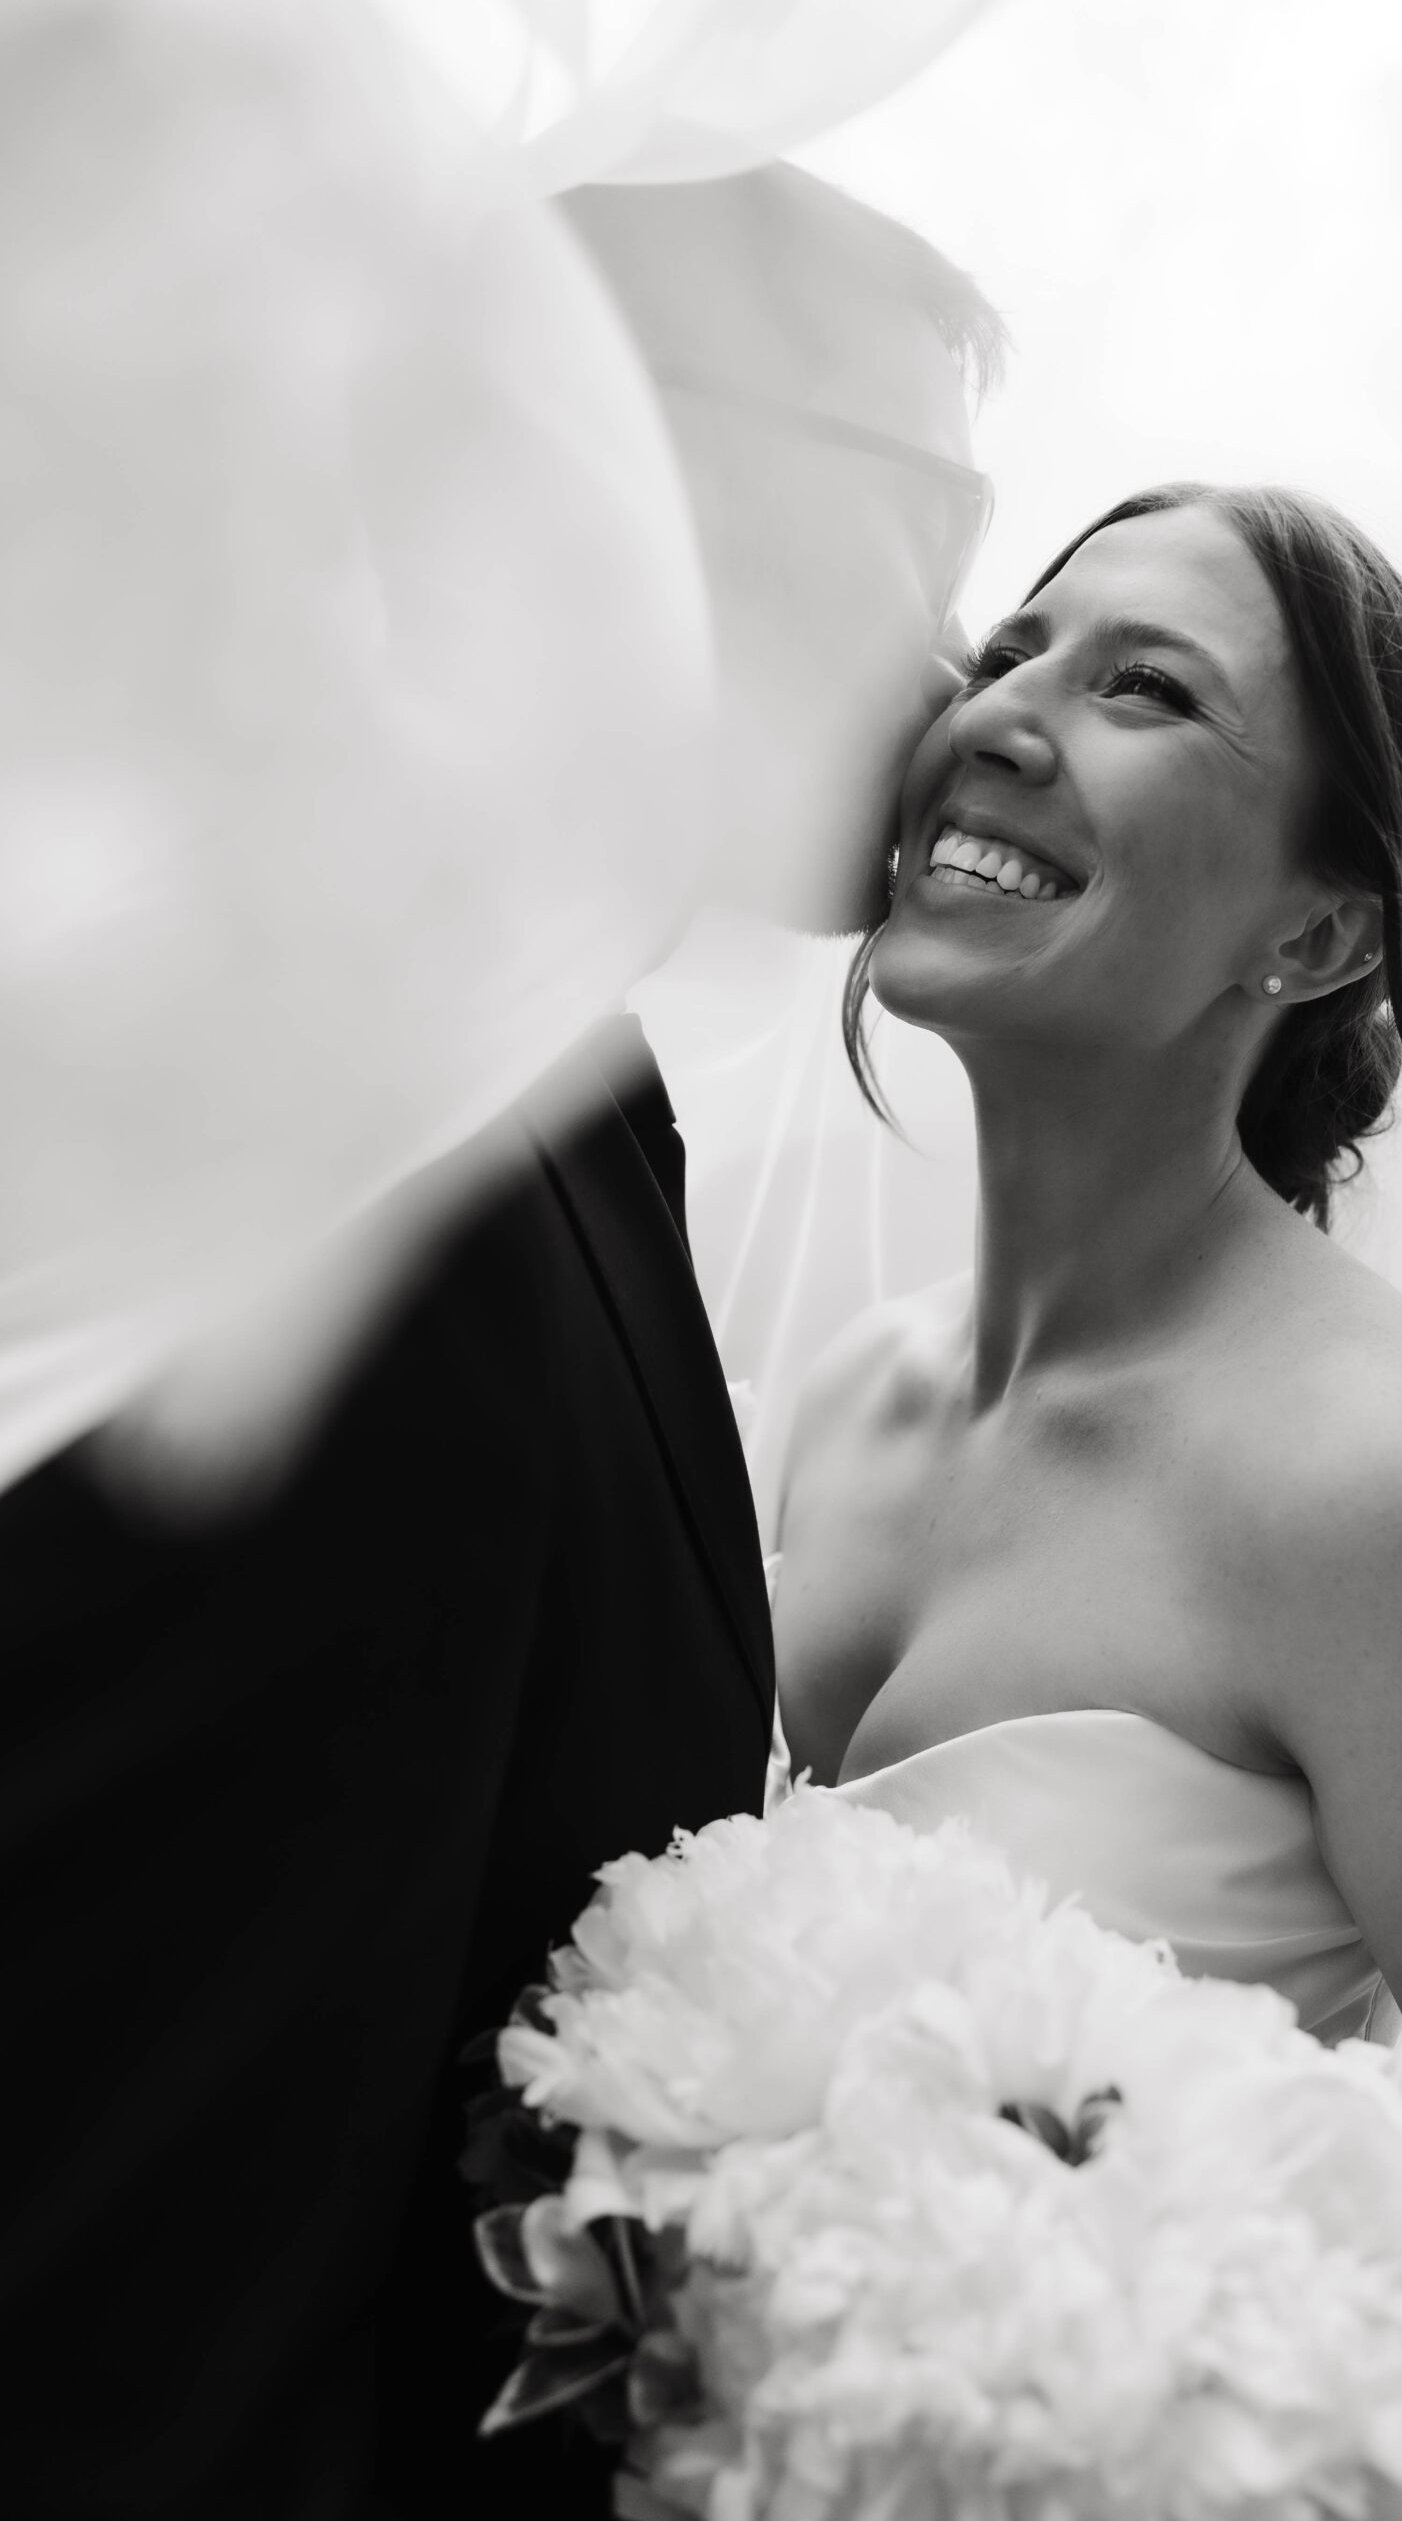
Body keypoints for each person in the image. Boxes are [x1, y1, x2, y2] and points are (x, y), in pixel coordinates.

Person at [0, 162, 997, 2521]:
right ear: (642, 460)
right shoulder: (359, 1127)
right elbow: (150, 2176)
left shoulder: (557, 1091)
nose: (970, 666)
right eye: (929, 534)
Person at [772, 485, 1402, 2521]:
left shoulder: (1374, 1506)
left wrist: (1126, 2437)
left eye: (1144, 688)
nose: (1004, 712)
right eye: (1016, 645)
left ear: (1311, 931)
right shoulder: (844, 1397)